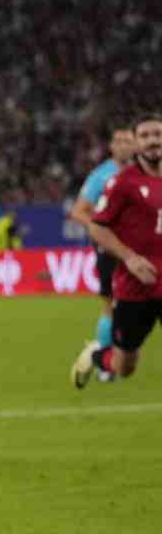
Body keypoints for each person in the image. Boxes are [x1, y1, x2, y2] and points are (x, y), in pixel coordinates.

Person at [76, 115, 162, 388]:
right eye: (145, 136)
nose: (153, 141)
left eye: (158, 134)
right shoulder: (123, 182)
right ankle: (97, 356)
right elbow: (96, 226)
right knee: (124, 366)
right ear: (137, 143)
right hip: (136, 287)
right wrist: (130, 258)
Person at [69, 127, 136, 381]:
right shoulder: (100, 176)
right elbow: (79, 211)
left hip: (141, 250)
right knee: (110, 307)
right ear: (111, 146)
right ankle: (104, 365)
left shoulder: (146, 172)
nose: (123, 145)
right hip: (110, 250)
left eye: (127, 140)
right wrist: (100, 230)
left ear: (136, 145)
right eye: (118, 141)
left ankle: (110, 356)